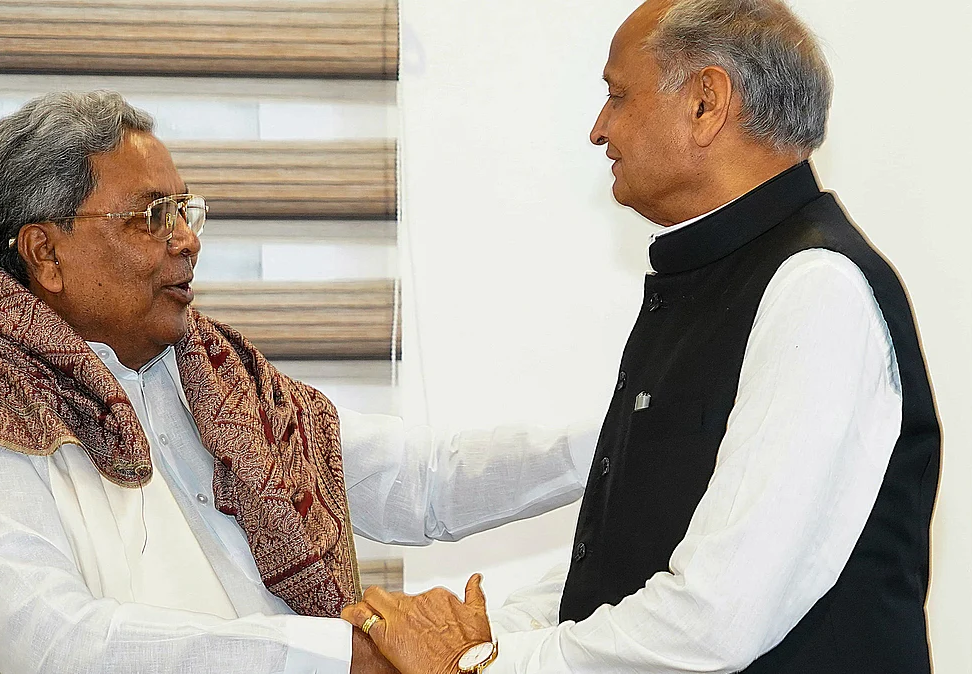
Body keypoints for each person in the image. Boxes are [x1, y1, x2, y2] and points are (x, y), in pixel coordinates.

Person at [0, 91, 599, 674]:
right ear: (46, 253)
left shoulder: (211, 378)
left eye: (185, 210)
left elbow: (416, 481)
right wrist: (353, 654)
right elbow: (63, 646)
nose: (187, 240)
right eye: (151, 217)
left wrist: (623, 441)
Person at [342, 1, 941, 672]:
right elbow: (628, 570)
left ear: (706, 103)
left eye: (618, 95)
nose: (600, 129)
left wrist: (475, 660)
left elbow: (713, 619)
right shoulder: (713, 278)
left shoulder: (816, 289)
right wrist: (486, 638)